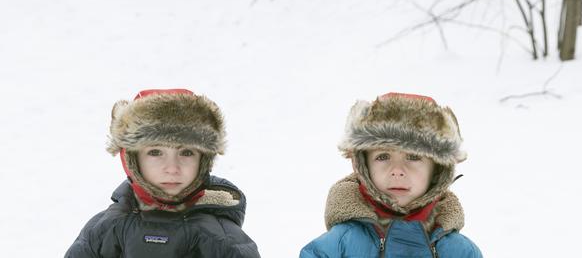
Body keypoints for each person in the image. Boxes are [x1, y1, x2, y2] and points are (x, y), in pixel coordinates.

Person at [65, 89, 261, 258]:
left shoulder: (223, 239)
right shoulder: (106, 229)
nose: (172, 168)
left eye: (186, 152)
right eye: (155, 152)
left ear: (204, 159)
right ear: (131, 159)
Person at [300, 92, 482, 258]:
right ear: (363, 166)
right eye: (383, 156)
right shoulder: (342, 242)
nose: (397, 170)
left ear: (437, 170)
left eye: (413, 157)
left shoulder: (459, 251)